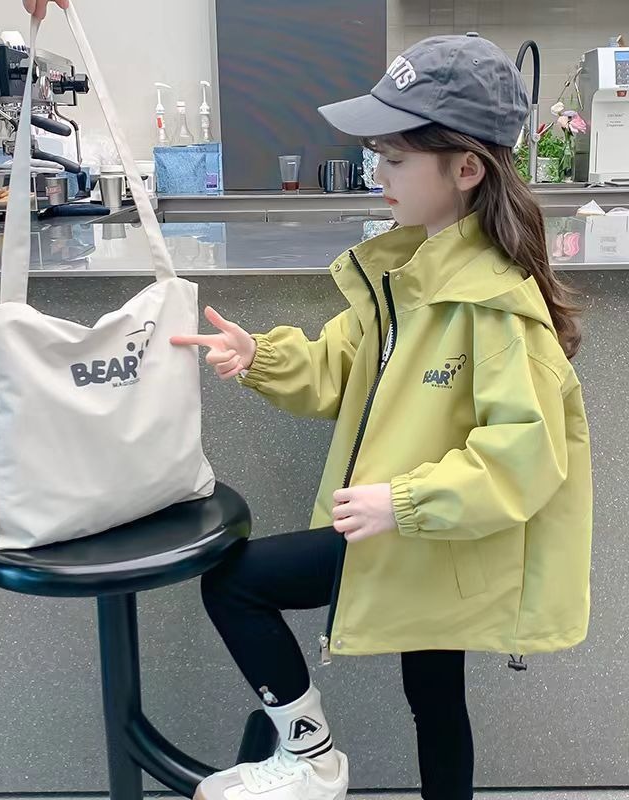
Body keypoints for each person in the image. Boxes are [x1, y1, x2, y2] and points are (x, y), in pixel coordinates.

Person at [30, 3, 593, 795]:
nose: (377, 174)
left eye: (394, 159)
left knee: (240, 584)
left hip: (426, 530)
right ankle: (316, 753)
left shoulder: (494, 306)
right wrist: (259, 356)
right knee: (436, 697)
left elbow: (524, 456)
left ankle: (310, 751)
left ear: (466, 170)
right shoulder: (409, 274)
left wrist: (403, 502)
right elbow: (338, 368)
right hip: (418, 530)